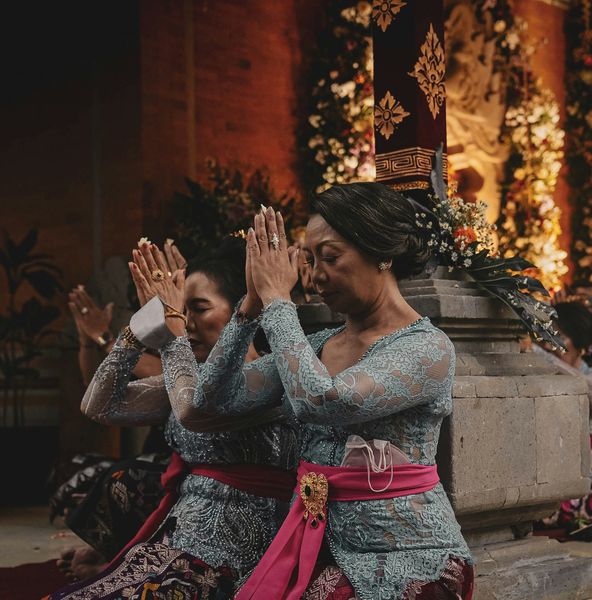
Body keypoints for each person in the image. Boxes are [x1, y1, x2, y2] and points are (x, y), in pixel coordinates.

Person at [154, 189, 474, 600]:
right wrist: (249, 310)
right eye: (310, 259)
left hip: (406, 559)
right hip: (309, 543)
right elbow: (206, 407)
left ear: (382, 253)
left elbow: (324, 402)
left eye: (331, 256)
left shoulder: (428, 349)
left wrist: (277, 302)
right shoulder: (317, 345)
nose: (316, 274)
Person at [45, 237, 297, 600]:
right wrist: (137, 331)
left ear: (245, 308)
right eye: (180, 310)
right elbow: (98, 406)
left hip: (237, 553)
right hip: (177, 538)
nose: (187, 322)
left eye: (198, 307)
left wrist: (171, 333)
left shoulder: (269, 375)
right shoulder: (185, 378)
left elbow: (194, 409)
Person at [54, 242, 186, 581]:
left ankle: (113, 556)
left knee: (123, 477)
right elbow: (96, 396)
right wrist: (91, 340)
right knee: (78, 469)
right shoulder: (172, 338)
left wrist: (110, 339)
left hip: (193, 482)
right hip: (162, 460)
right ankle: (110, 553)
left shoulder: (206, 350)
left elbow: (163, 372)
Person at [534, 301, 592, 538]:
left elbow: (587, 388)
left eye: (556, 336)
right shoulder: (543, 378)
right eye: (543, 335)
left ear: (580, 345)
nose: (547, 343)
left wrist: (534, 351)